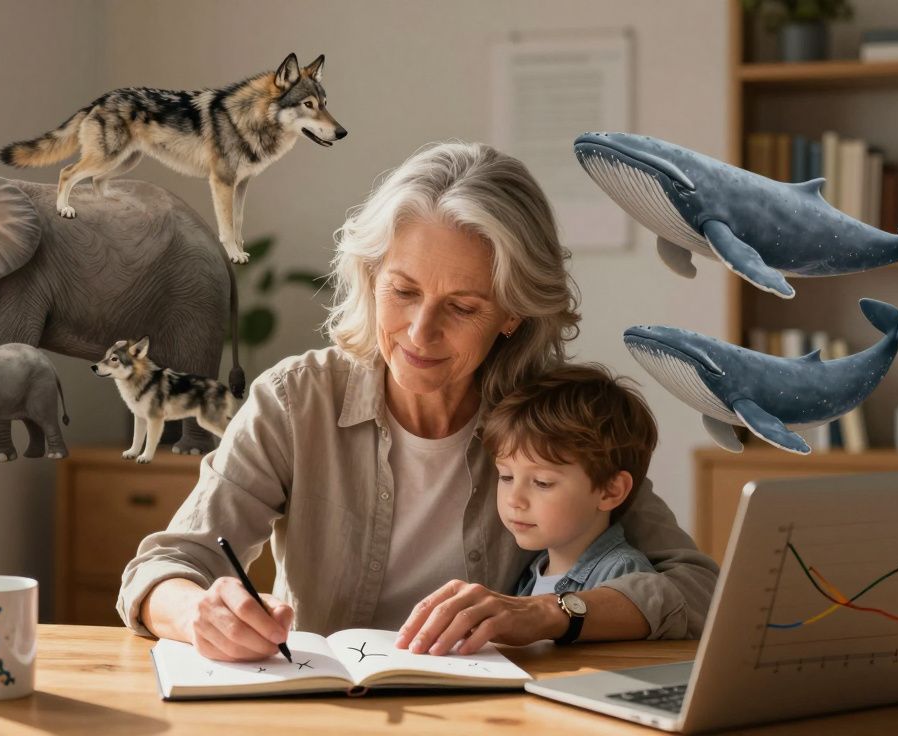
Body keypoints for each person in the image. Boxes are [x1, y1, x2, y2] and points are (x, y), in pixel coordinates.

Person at [116, 141, 719, 662]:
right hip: (326, 711)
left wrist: (548, 613)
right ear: (371, 275)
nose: (419, 333)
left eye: (462, 307)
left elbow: (697, 589)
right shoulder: (295, 400)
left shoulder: (553, 418)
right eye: (402, 290)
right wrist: (199, 611)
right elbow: (160, 570)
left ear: (512, 313)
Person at [405, 363, 662, 657]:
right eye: (506, 477)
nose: (515, 499)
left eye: (542, 482)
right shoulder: (531, 573)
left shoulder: (622, 574)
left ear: (610, 491)